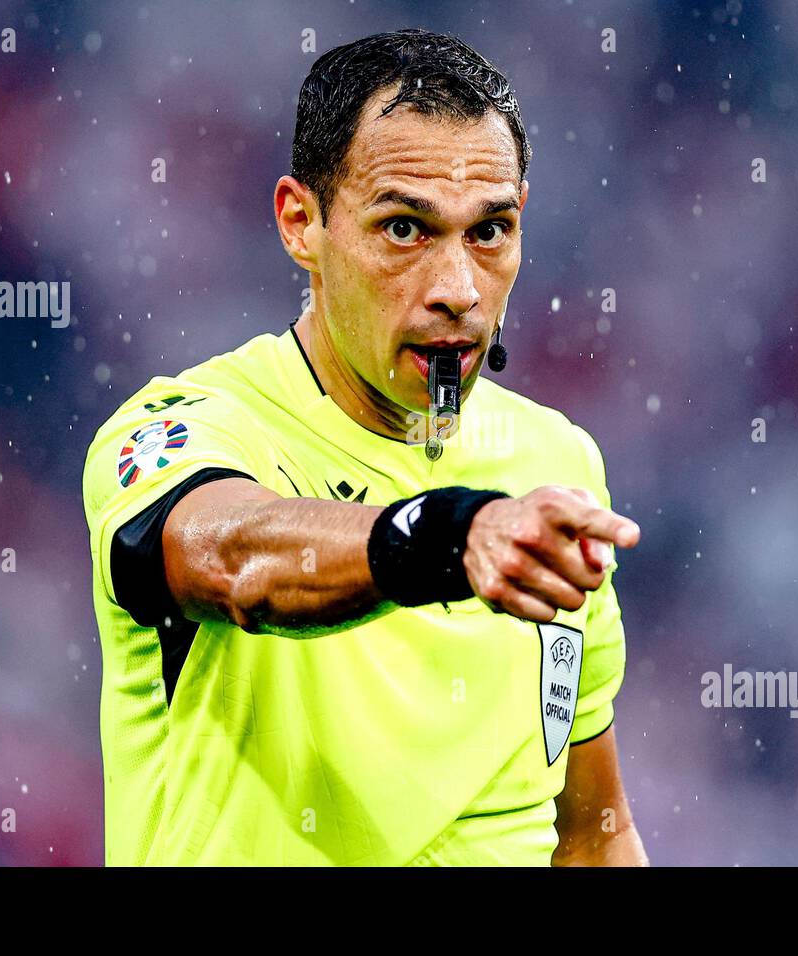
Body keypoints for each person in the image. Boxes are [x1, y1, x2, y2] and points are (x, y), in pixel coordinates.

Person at [82, 27, 646, 866]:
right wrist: (449, 537)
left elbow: (591, 837)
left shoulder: (557, 462)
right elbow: (236, 561)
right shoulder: (186, 428)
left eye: (489, 232)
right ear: (300, 222)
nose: (457, 290)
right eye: (405, 229)